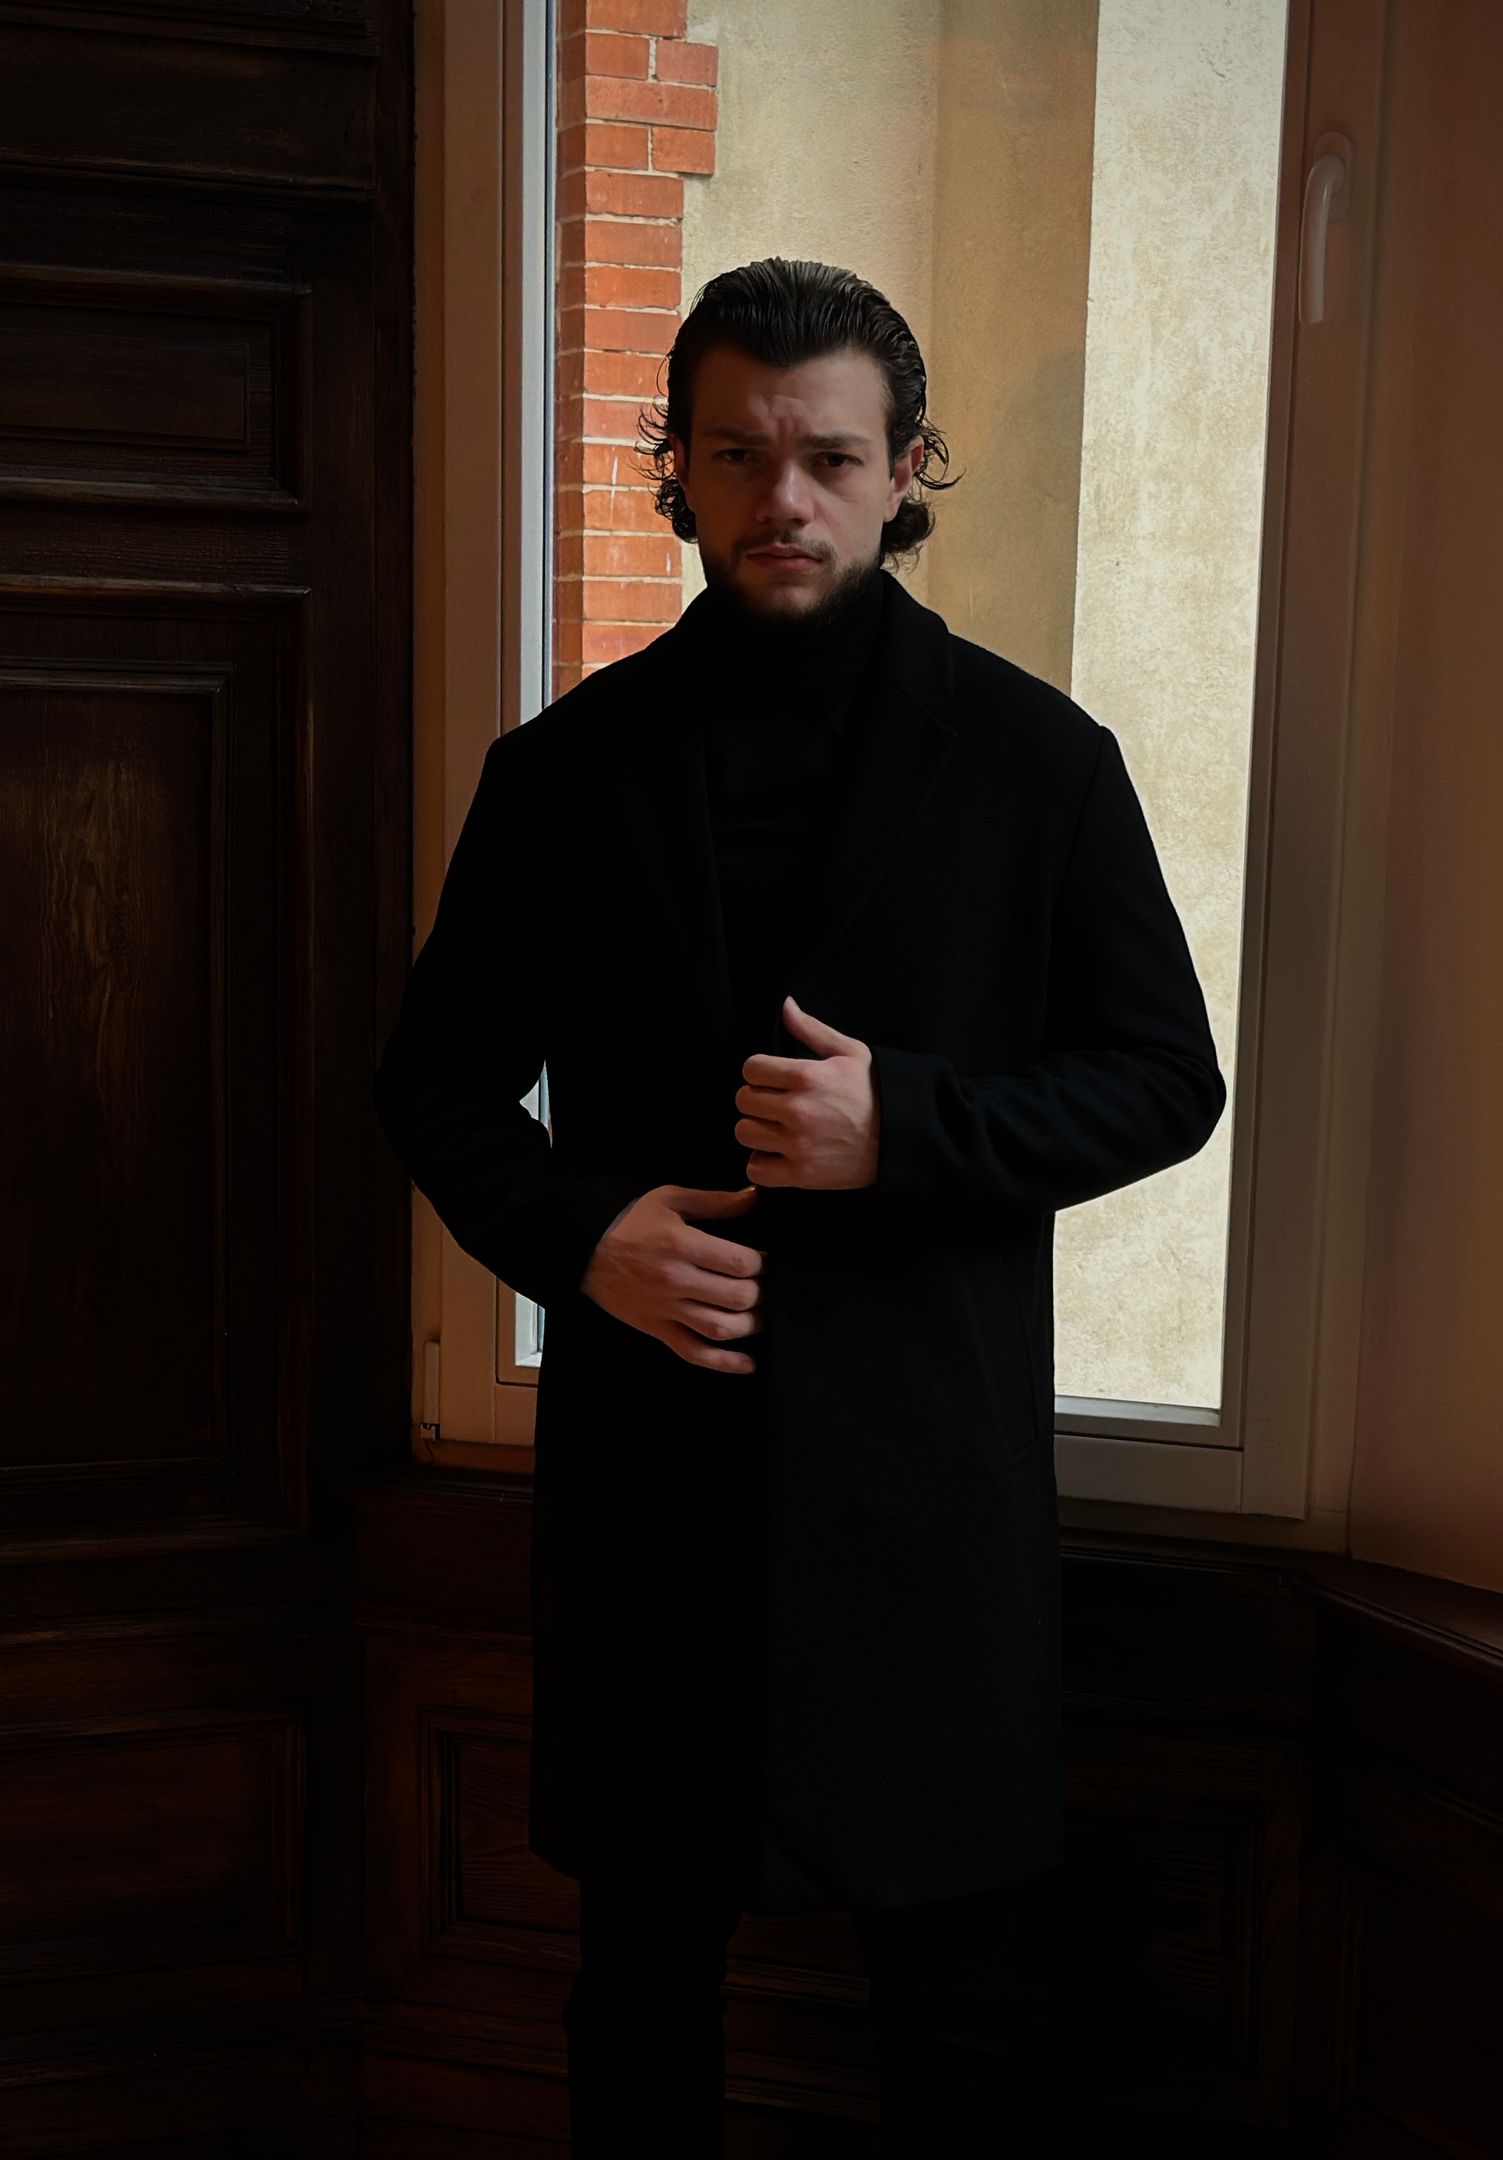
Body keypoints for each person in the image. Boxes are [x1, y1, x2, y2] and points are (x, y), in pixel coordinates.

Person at [374, 256, 1227, 2156]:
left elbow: (1170, 1079)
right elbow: (432, 1088)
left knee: (959, 2027)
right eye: (740, 454)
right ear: (674, 469)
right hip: (650, 1495)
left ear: (907, 470)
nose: (786, 498)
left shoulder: (1043, 761)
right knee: (637, 2004)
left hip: (931, 1493)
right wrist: (583, 1236)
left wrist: (904, 1125)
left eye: (831, 457)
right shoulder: (561, 770)